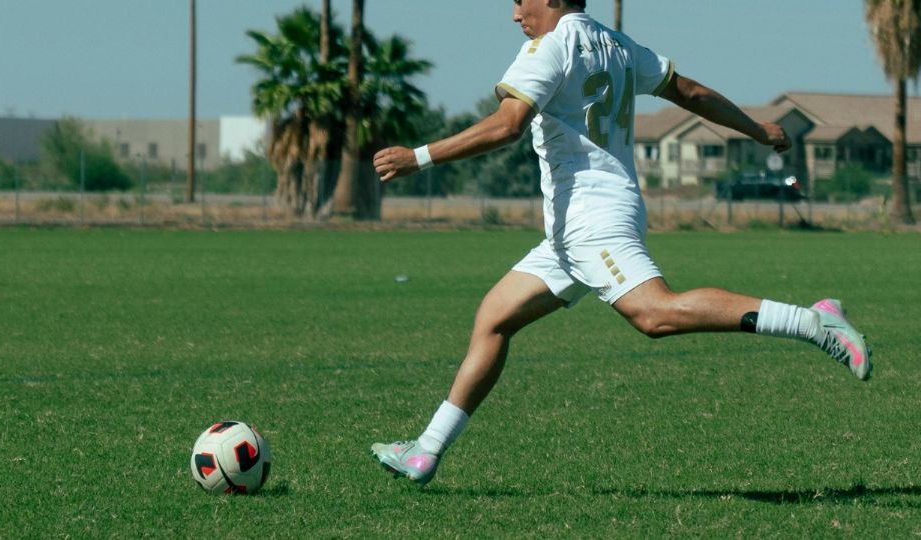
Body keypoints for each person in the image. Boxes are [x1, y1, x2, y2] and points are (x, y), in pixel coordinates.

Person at [370, 0, 872, 487]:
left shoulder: (549, 48)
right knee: (495, 320)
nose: (515, 14)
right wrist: (757, 130)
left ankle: (810, 321)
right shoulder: (617, 44)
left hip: (593, 222)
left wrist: (419, 157)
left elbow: (507, 125)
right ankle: (426, 450)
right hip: (574, 231)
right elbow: (692, 93)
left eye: (521, 0)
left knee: (655, 314)